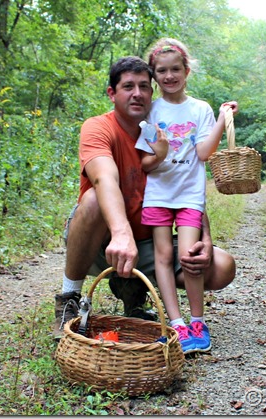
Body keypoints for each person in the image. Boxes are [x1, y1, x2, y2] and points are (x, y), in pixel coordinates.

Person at [53, 56, 236, 341]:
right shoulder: (99, 127)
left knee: (221, 266)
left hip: (148, 242)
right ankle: (69, 297)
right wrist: (121, 233)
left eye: (143, 86)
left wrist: (206, 236)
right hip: (102, 243)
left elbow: (185, 186)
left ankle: (134, 293)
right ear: (112, 93)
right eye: (128, 86)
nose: (137, 93)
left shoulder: (161, 130)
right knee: (91, 201)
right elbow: (104, 178)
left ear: (153, 92)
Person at [134, 38, 238, 353]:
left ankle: (197, 321)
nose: (169, 76)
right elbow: (147, 164)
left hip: (190, 194)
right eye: (161, 71)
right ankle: (176, 323)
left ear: (186, 70)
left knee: (189, 257)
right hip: (158, 194)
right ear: (154, 75)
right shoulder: (151, 112)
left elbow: (204, 152)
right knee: (163, 258)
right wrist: (162, 152)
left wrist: (222, 119)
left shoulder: (200, 109)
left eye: (175, 69)